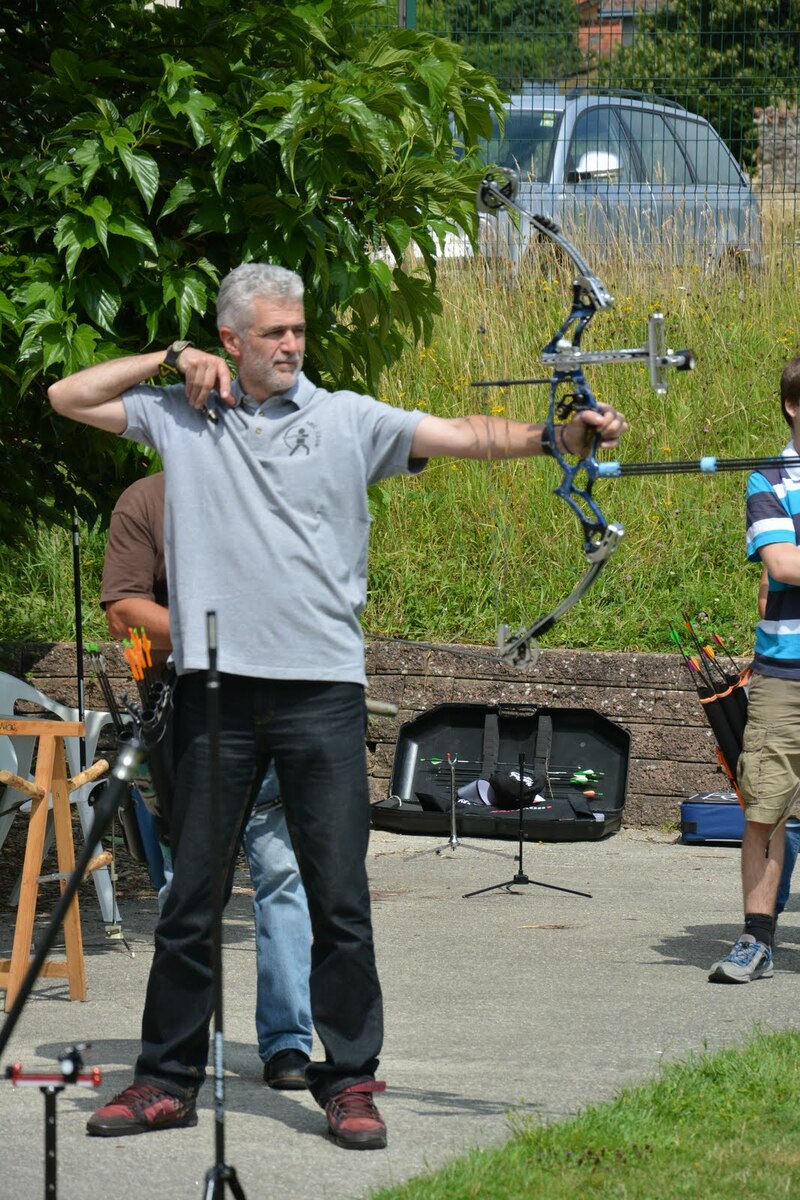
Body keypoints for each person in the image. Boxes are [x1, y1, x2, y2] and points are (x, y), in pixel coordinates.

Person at [48, 262, 628, 1150]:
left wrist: (562, 435)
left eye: (299, 330)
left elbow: (465, 435)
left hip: (321, 693)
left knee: (340, 899)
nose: (291, 345)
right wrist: (168, 355)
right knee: (191, 897)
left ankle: (350, 1081)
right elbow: (67, 395)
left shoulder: (349, 418)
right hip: (214, 695)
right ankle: (166, 1080)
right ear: (231, 340)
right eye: (273, 332)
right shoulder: (181, 415)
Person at [101, 472, 313, 1089]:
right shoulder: (147, 500)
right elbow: (123, 615)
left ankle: (288, 1046)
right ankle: (178, 1049)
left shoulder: (275, 490)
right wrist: (219, 630)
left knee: (283, 877)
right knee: (191, 890)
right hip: (187, 722)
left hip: (277, 709)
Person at [709, 357, 800, 983]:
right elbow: (784, 565)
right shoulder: (768, 478)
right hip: (784, 676)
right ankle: (756, 940)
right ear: (794, 406)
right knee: (765, 808)